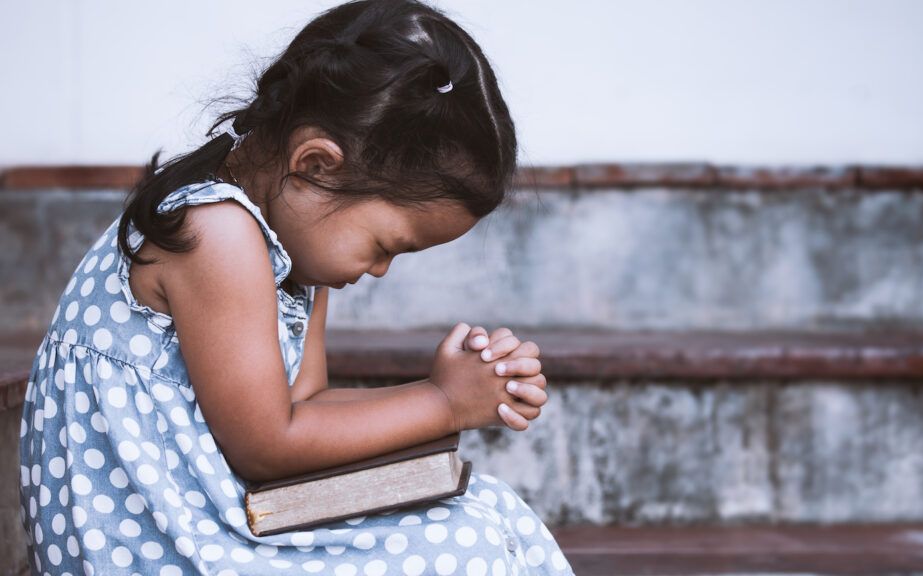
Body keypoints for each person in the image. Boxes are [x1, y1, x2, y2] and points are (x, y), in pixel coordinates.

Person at [18, 0, 575, 574]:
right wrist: (443, 402)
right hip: (152, 546)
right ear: (317, 165)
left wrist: (455, 390)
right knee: (463, 546)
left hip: (214, 520)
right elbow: (269, 445)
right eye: (386, 246)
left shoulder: (293, 242)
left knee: (491, 511)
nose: (380, 270)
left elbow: (305, 406)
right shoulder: (216, 233)